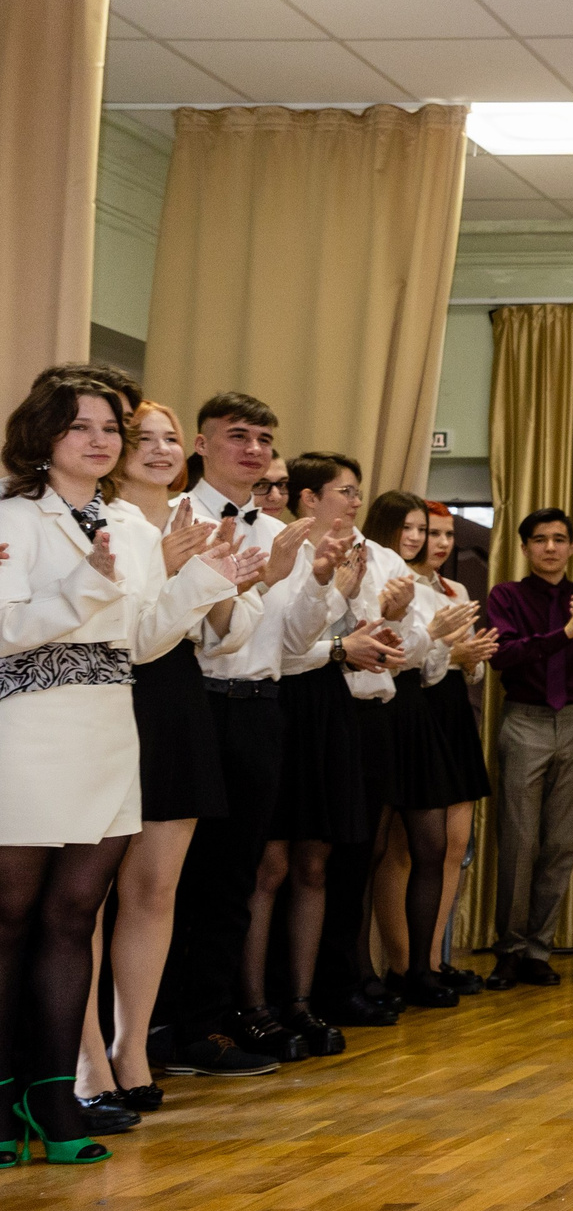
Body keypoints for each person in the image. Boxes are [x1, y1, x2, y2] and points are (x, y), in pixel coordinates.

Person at [2, 375, 248, 1163]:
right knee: (10, 921)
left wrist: (205, 583)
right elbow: (7, 632)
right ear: (44, 435)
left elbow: (140, 639)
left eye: (110, 426)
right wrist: (86, 585)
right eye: (80, 427)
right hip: (28, 733)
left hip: (110, 730)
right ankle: (8, 1097)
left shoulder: (130, 526)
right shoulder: (12, 517)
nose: (100, 439)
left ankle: (51, 1096)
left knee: (76, 917)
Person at [151, 393, 330, 1077]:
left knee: (237, 874)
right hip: (197, 702)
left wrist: (310, 580)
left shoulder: (278, 530)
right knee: (176, 876)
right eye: (237, 436)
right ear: (201, 443)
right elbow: (203, 637)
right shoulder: (173, 520)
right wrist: (249, 584)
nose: (253, 449)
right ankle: (164, 1025)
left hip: (261, 706)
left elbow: (292, 641)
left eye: (263, 438)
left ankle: (208, 1024)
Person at [75, 399, 244, 1114]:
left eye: (168, 438)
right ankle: (83, 1059)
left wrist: (219, 573)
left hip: (172, 693)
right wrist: (176, 572)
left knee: (155, 888)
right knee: (85, 896)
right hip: (99, 692)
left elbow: (225, 635)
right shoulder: (91, 517)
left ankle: (131, 1042)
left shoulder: (192, 524)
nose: (156, 448)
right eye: (138, 437)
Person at [249, 452, 404, 1052]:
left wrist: (380, 627)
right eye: (345, 490)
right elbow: (286, 644)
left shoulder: (371, 554)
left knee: (318, 861)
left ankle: (303, 1000)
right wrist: (341, 636)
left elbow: (383, 639)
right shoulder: (281, 546)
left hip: (333, 708)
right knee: (272, 865)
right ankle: (257, 1002)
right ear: (309, 500)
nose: (356, 501)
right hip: (288, 703)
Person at [358, 489, 484, 1010]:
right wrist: (436, 639)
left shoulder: (437, 585)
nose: (417, 538)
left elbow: (430, 669)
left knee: (435, 846)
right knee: (379, 849)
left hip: (420, 711)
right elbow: (387, 654)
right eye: (410, 528)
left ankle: (422, 967)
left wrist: (456, 651)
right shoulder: (371, 572)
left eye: (424, 529)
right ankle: (382, 966)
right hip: (380, 711)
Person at [483, 508, 573, 989]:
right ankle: (509, 950)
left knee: (560, 844)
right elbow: (507, 655)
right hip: (525, 720)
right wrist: (568, 633)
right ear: (525, 548)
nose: (551, 548)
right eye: (540, 539)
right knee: (519, 842)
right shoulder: (506, 596)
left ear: (572, 547)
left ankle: (539, 949)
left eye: (560, 539)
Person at [410, 501, 497, 993]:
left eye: (445, 534)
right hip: (417, 710)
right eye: (431, 532)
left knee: (454, 845)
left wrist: (472, 658)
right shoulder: (396, 581)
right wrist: (452, 652)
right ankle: (407, 962)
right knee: (410, 849)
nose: (441, 542)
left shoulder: (456, 587)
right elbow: (412, 662)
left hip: (453, 710)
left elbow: (473, 669)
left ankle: (437, 957)